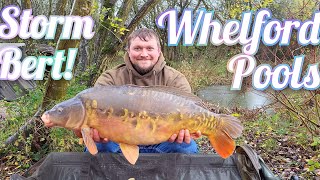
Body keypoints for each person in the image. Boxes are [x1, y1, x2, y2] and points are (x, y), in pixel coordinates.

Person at [83, 28, 201, 153]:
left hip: (164, 142)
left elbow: (190, 112)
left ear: (159, 51)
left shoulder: (175, 79)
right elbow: (91, 116)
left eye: (149, 48)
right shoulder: (110, 79)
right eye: (137, 48)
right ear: (128, 51)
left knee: (186, 147)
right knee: (99, 145)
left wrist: (186, 132)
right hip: (118, 142)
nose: (144, 54)